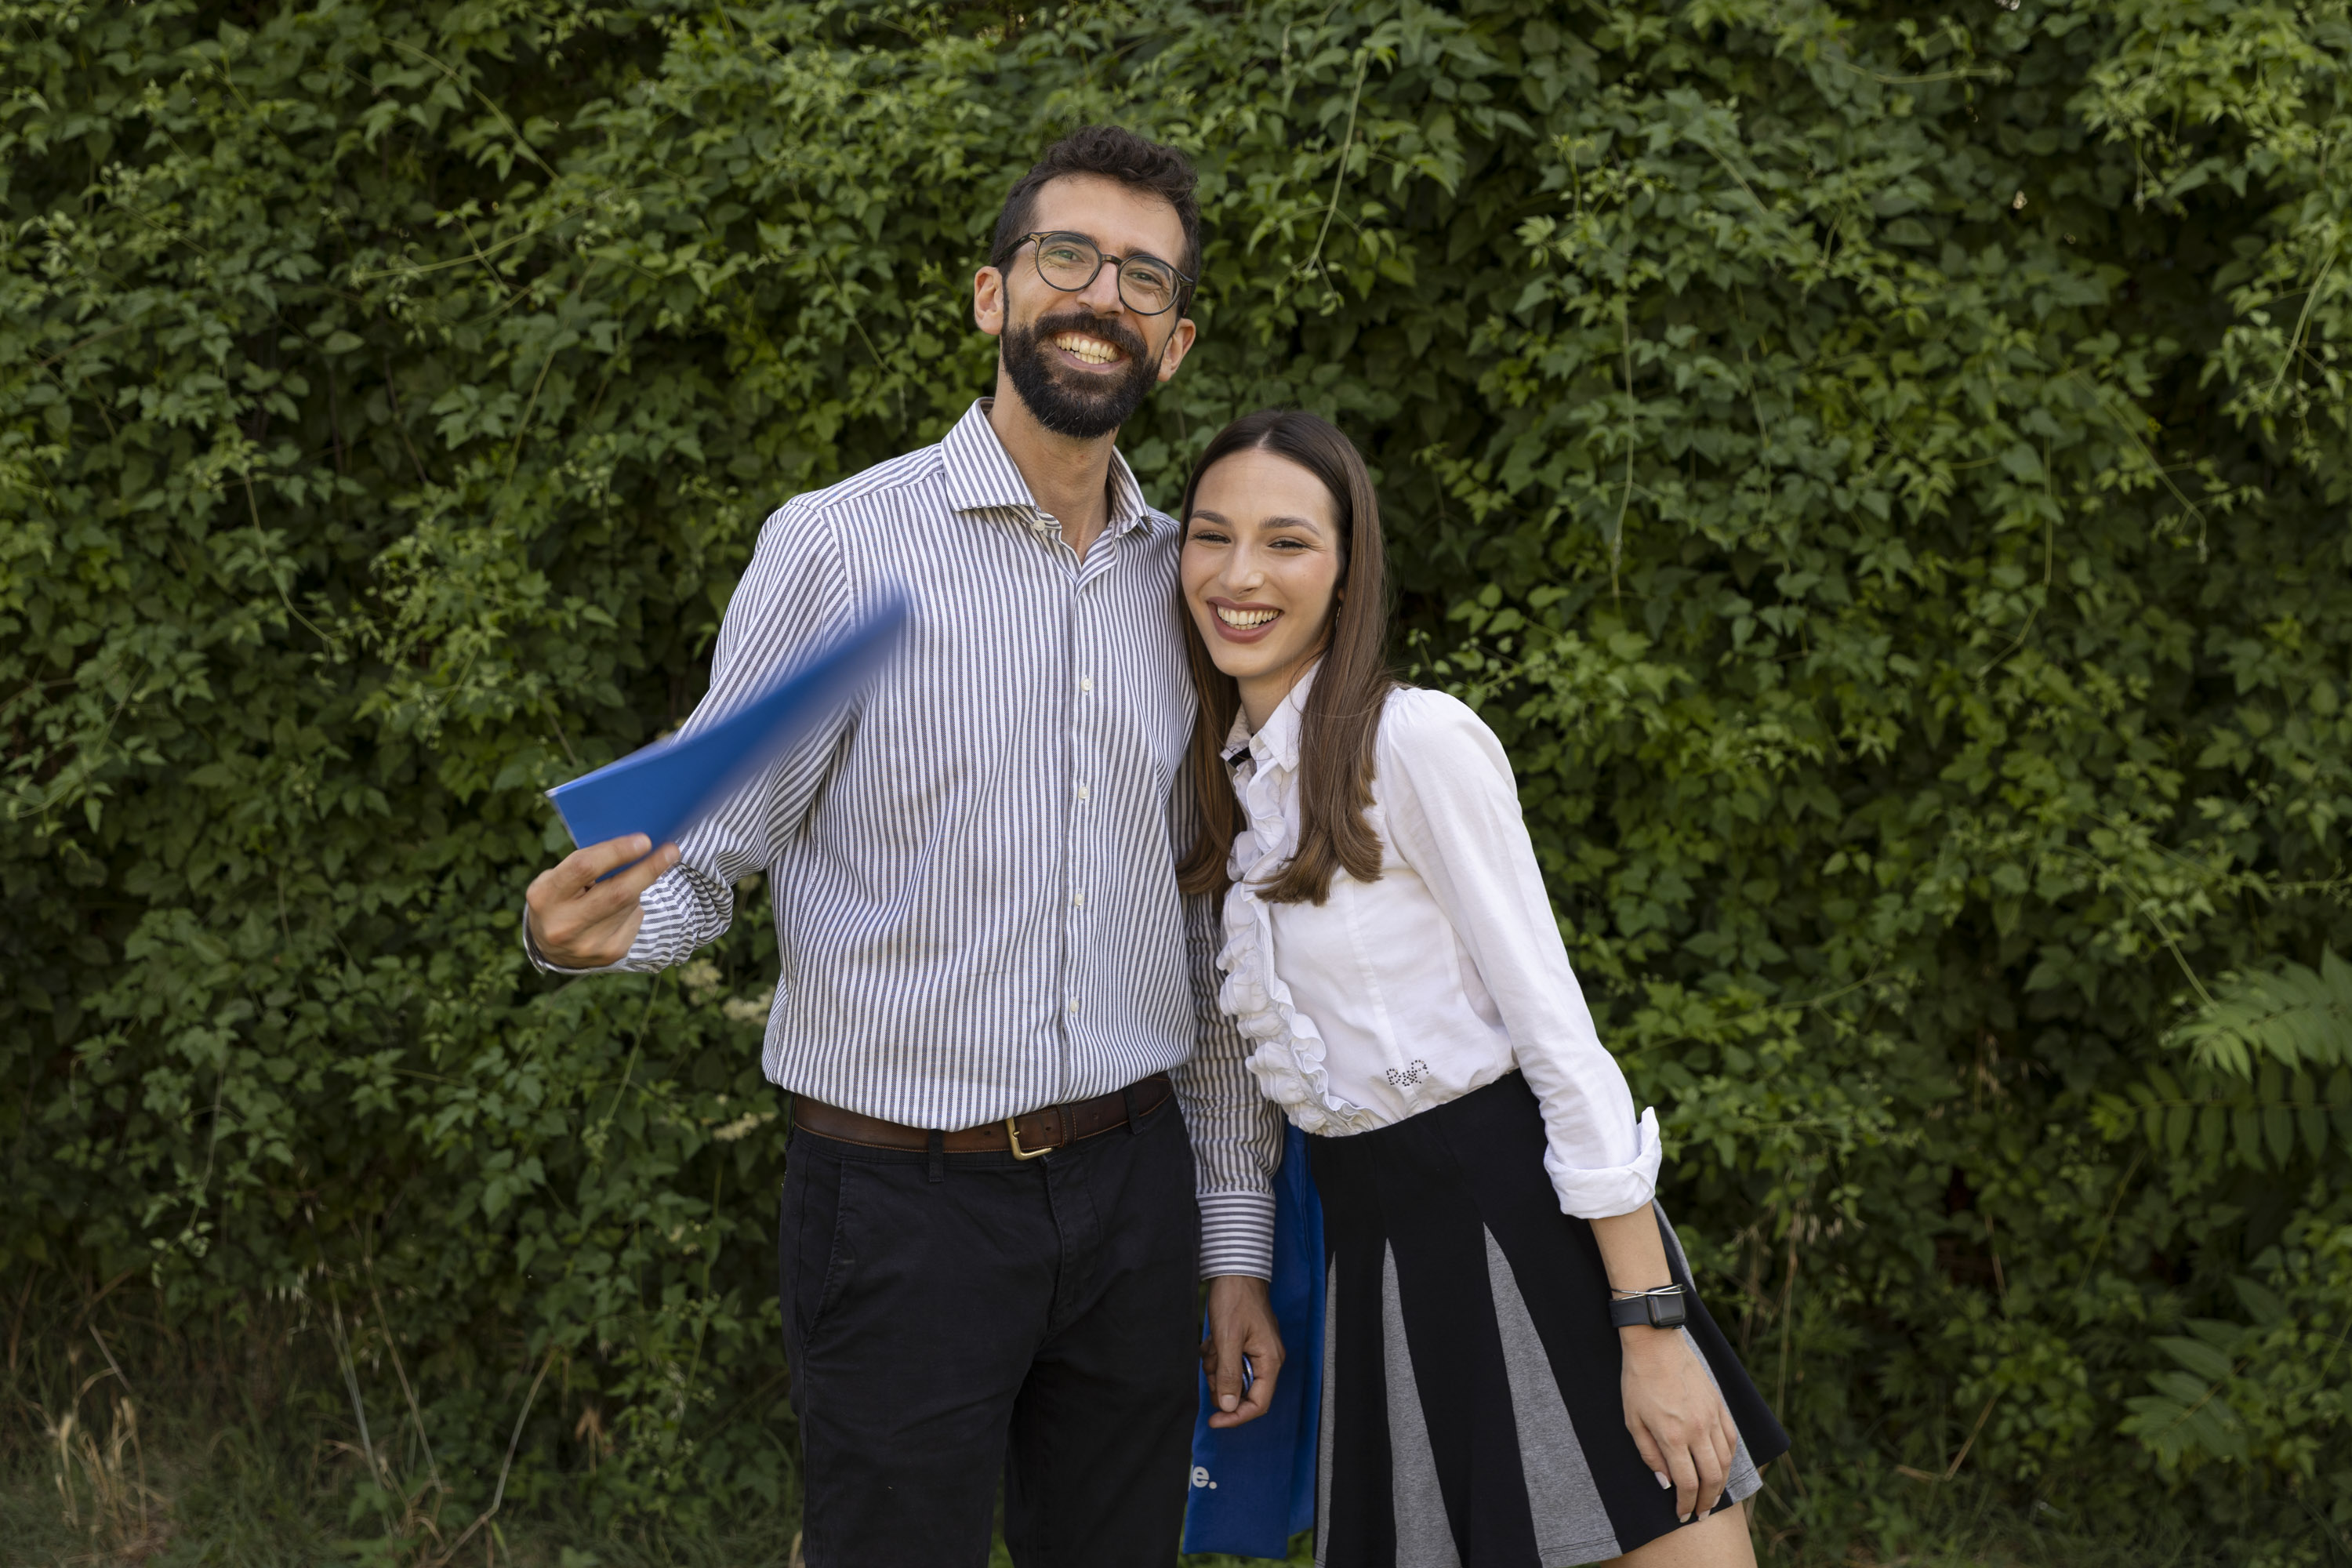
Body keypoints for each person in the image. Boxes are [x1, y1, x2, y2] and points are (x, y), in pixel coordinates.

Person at [520, 126, 1284, 1568]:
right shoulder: (838, 549)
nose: (1098, 295)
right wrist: (607, 927)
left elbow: (1209, 928)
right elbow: (702, 847)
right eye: (1067, 257)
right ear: (993, 297)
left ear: (1172, 346)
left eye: (1141, 278)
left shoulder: (1191, 584)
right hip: (901, 1207)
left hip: (1133, 1194)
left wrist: (1231, 1239)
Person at [1178, 410, 1789, 1567]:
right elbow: (1238, 1078)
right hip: (1373, 1258)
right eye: (1212, 537)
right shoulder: (1219, 791)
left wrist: (1649, 1327)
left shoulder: (1412, 744)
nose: (1241, 575)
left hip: (1524, 1223)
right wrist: (1241, 1265)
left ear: (1348, 567)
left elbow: (1558, 1038)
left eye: (1287, 541)